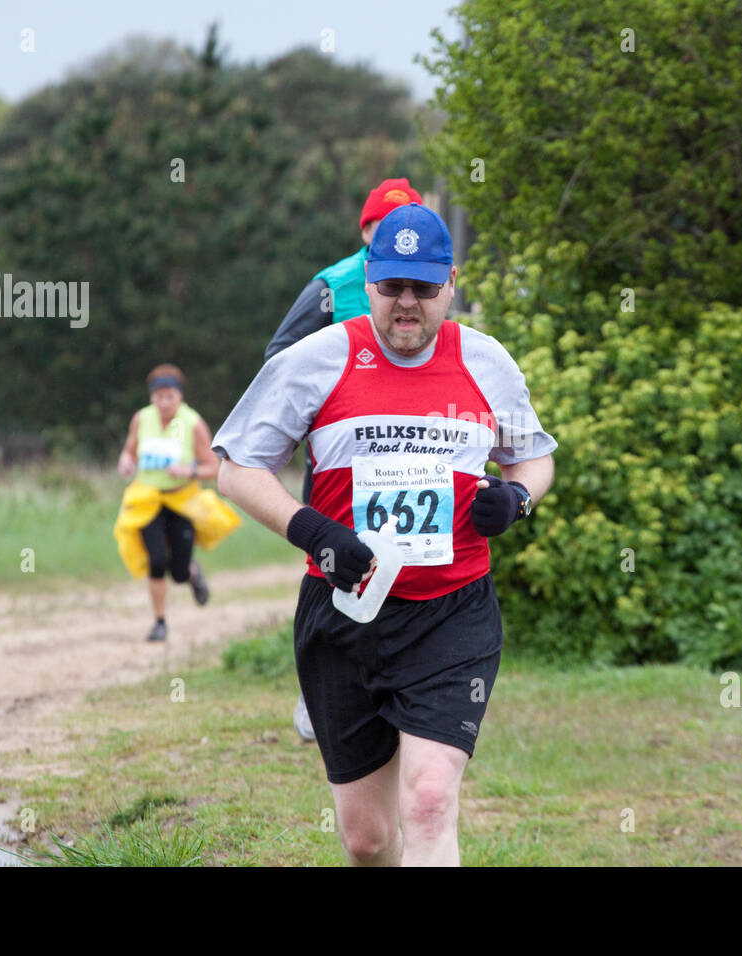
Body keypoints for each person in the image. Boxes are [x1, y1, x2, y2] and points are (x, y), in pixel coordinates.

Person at [212, 202, 557, 866]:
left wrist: (516, 498)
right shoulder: (318, 359)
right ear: (367, 279)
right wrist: (313, 532)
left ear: (450, 283)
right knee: (367, 840)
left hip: (452, 611)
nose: (407, 304)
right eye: (391, 285)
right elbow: (236, 467)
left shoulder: (485, 361)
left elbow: (533, 456)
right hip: (345, 616)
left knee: (428, 799)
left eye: (423, 288)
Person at [268, 177, 424, 742]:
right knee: (335, 568)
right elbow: (279, 357)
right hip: (342, 460)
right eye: (386, 228)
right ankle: (322, 693)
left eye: (410, 226)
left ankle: (407, 688)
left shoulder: (431, 285)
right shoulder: (332, 287)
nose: (399, 239)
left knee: (410, 567)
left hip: (412, 455)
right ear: (365, 231)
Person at [114, 364, 241, 642]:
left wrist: (189, 471)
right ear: (151, 398)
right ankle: (160, 622)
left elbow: (214, 467)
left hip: (182, 500)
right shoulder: (141, 419)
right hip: (147, 499)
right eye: (159, 397)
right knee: (157, 561)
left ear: (180, 396)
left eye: (170, 396)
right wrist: (126, 461)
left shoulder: (193, 423)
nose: (164, 402)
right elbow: (130, 451)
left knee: (179, 571)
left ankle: (192, 574)